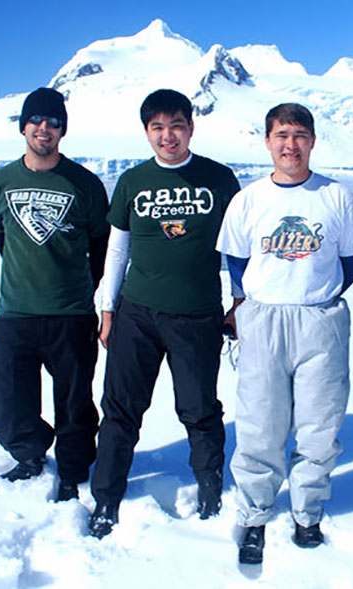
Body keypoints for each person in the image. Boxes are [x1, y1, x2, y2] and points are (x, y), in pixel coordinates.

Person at [216, 103, 353, 564]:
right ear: (267, 142)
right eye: (282, 135)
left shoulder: (335, 197)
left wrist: (314, 295)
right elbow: (237, 264)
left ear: (313, 141)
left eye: (300, 135)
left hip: (319, 319)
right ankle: (257, 514)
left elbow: (350, 262)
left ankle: (308, 512)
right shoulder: (249, 199)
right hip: (264, 319)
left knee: (319, 424)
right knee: (260, 422)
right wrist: (256, 302)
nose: (291, 144)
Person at [87, 89, 240, 539]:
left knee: (198, 409)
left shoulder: (218, 178)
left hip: (196, 315)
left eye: (176, 125)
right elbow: (118, 249)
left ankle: (210, 489)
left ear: (190, 128)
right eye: (157, 127)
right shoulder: (133, 181)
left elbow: (237, 247)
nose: (167, 135)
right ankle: (106, 498)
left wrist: (240, 300)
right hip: (137, 314)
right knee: (120, 409)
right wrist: (109, 308)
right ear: (147, 133)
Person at [0, 87, 110, 502]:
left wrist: (81, 291)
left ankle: (73, 470)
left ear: (63, 130)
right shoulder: (0, 182)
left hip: (70, 315)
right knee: (4, 403)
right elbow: (4, 238)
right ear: (23, 126)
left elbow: (101, 247)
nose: (44, 128)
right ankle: (29, 454)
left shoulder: (85, 185)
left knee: (74, 404)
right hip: (15, 313)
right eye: (36, 120)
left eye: (53, 121)